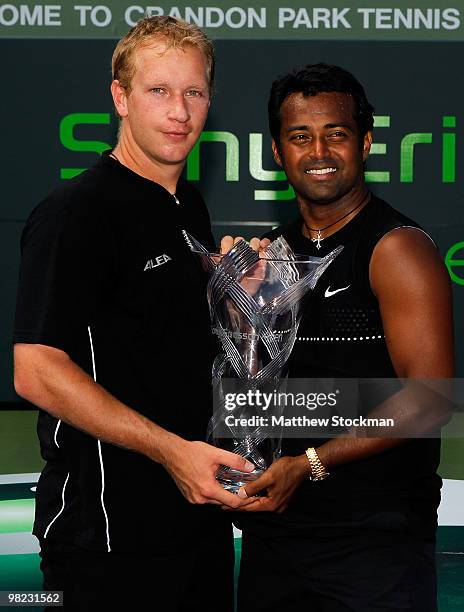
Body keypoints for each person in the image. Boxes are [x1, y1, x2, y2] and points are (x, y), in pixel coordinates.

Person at [13, 16, 255, 611]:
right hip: (106, 538)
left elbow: (157, 342)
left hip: (198, 518)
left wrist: (236, 292)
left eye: (194, 92)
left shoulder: (187, 206)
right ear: (120, 98)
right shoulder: (77, 210)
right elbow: (35, 369)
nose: (180, 111)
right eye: (159, 91)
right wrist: (174, 452)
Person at [234, 64, 454, 612]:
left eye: (336, 133)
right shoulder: (272, 253)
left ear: (366, 143)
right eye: (300, 136)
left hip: (372, 544)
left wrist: (311, 463)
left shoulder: (396, 249)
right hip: (277, 534)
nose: (319, 151)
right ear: (278, 152)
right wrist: (239, 311)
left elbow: (429, 400)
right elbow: (259, 387)